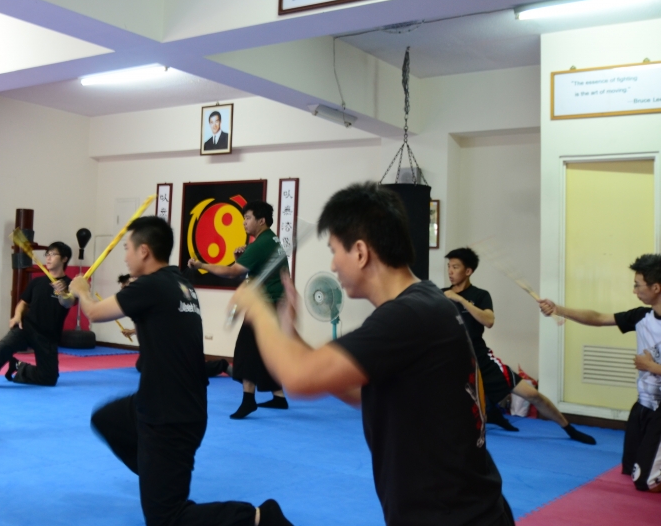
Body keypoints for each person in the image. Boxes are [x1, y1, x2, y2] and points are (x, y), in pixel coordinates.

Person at [229, 182, 514, 526]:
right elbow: (356, 388)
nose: (333, 264)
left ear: (361, 252)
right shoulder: (426, 302)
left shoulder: (407, 316)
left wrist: (257, 308)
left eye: (335, 251)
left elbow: (298, 378)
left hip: (453, 516)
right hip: (463, 508)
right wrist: (292, 333)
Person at [71, 216, 292, 526]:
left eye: (127, 248)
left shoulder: (150, 286)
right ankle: (155, 473)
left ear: (144, 251)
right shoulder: (180, 284)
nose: (125, 256)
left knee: (166, 519)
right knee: (106, 419)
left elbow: (94, 312)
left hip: (168, 417)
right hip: (166, 404)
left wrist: (81, 289)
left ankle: (259, 518)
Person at [444, 247, 595, 444]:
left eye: (455, 267)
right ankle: (491, 413)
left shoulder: (480, 295)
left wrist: (461, 300)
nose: (450, 271)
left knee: (532, 395)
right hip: (454, 360)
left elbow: (489, 321)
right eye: (449, 266)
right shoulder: (441, 294)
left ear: (468, 271)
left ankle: (569, 429)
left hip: (480, 358)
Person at [539, 254, 661, 492]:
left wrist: (652, 367)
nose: (634, 290)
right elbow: (598, 318)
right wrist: (558, 309)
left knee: (645, 483)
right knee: (630, 469)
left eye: (638, 285)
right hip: (644, 405)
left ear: (656, 287)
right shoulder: (641, 317)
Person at [189, 201, 287, 419]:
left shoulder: (260, 244)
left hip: (264, 304)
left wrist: (201, 265)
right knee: (265, 352)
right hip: (272, 302)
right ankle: (279, 397)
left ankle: (248, 400)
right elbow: (250, 273)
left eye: (248, 218)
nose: (244, 222)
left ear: (261, 221)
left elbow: (233, 273)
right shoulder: (271, 240)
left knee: (246, 350)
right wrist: (239, 260)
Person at [0, 242, 75, 388]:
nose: (48, 258)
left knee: (48, 379)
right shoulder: (37, 282)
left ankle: (18, 366)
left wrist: (63, 293)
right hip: (27, 328)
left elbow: (68, 303)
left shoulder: (70, 285)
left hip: (48, 336)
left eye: (53, 254)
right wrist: (16, 316)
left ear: (64, 258)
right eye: (47, 254)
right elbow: (23, 303)